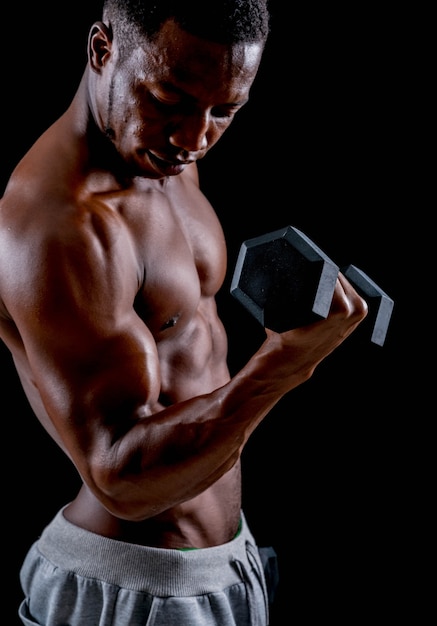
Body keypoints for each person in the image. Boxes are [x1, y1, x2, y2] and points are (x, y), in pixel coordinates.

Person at [0, 1, 368, 624]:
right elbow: (119, 474)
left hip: (224, 564)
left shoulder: (165, 156)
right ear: (101, 50)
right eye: (168, 98)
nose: (195, 139)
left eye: (224, 111)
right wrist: (284, 365)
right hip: (125, 591)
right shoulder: (58, 227)